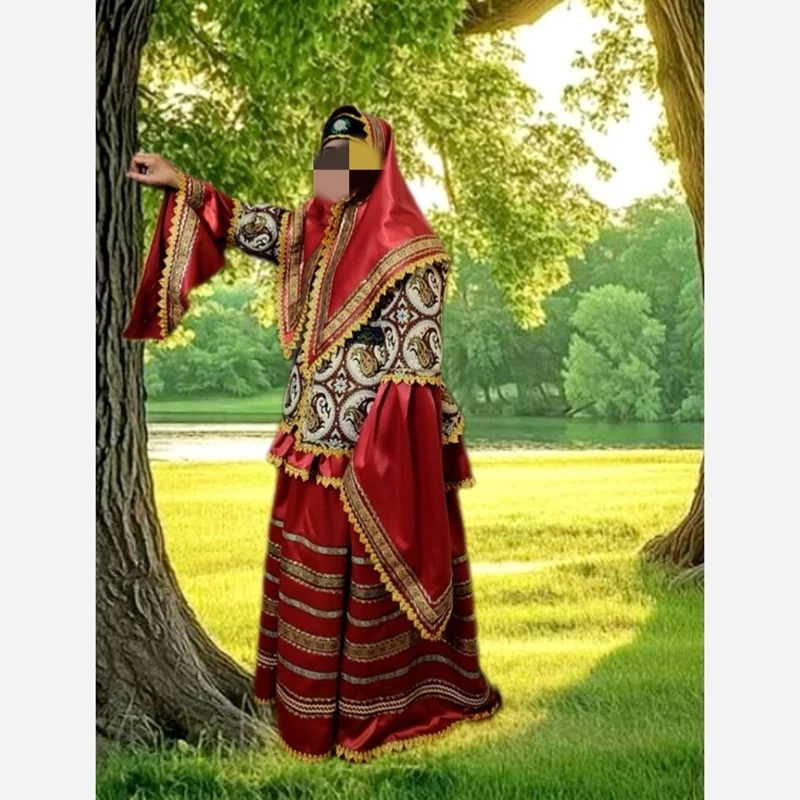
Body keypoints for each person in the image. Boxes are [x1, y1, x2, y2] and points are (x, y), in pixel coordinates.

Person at [123, 104, 502, 762]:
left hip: (365, 458)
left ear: (374, 165)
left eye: (343, 157)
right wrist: (179, 181)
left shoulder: (414, 254)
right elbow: (246, 222)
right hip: (307, 446)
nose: (329, 167)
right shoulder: (317, 231)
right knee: (308, 581)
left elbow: (413, 370)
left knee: (366, 586)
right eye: (326, 155)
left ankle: (368, 716)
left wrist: (380, 461)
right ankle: (305, 716)